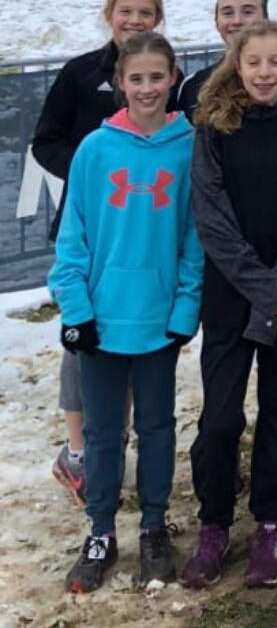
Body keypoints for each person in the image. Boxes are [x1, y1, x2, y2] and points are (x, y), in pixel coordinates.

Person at [50, 32, 202, 593]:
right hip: (102, 323)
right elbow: (73, 238)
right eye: (135, 78)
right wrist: (76, 308)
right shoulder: (95, 148)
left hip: (158, 320)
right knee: (103, 431)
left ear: (172, 79)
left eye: (156, 78)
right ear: (121, 83)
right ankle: (100, 532)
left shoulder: (188, 148)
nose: (146, 88)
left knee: (158, 428)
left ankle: (155, 527)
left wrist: (186, 307)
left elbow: (194, 239)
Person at [181, 21, 277, 590]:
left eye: (275, 62)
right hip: (231, 299)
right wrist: (260, 286)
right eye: (254, 62)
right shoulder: (213, 131)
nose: (265, 73)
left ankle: (270, 521)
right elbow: (211, 218)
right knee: (219, 419)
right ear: (236, 66)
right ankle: (214, 523)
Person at [33, 0, 172, 509]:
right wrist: (94, 173)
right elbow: (45, 141)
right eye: (126, 11)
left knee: (135, 338)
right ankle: (79, 450)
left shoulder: (159, 70)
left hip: (145, 228)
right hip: (90, 225)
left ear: (157, 19)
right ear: (109, 13)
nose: (135, 20)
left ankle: (118, 438)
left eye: (145, 12)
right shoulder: (79, 74)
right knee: (83, 340)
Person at [176, 0, 277, 121]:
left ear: (265, 19)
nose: (237, 20)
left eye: (247, 12)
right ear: (217, 22)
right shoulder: (192, 86)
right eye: (227, 13)